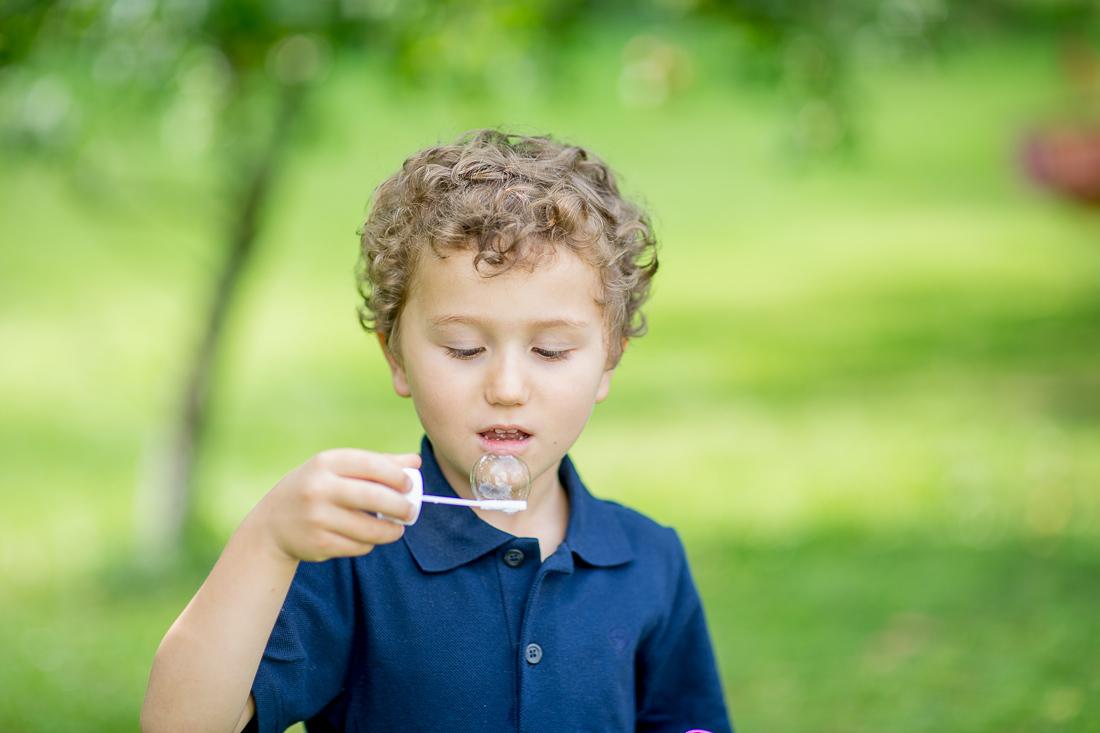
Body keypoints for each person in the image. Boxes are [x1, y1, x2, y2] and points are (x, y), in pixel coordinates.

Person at [141, 128, 733, 733]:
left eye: (551, 351)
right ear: (396, 357)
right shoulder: (353, 553)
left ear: (608, 359)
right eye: (464, 347)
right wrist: (267, 541)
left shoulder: (648, 562)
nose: (506, 387)